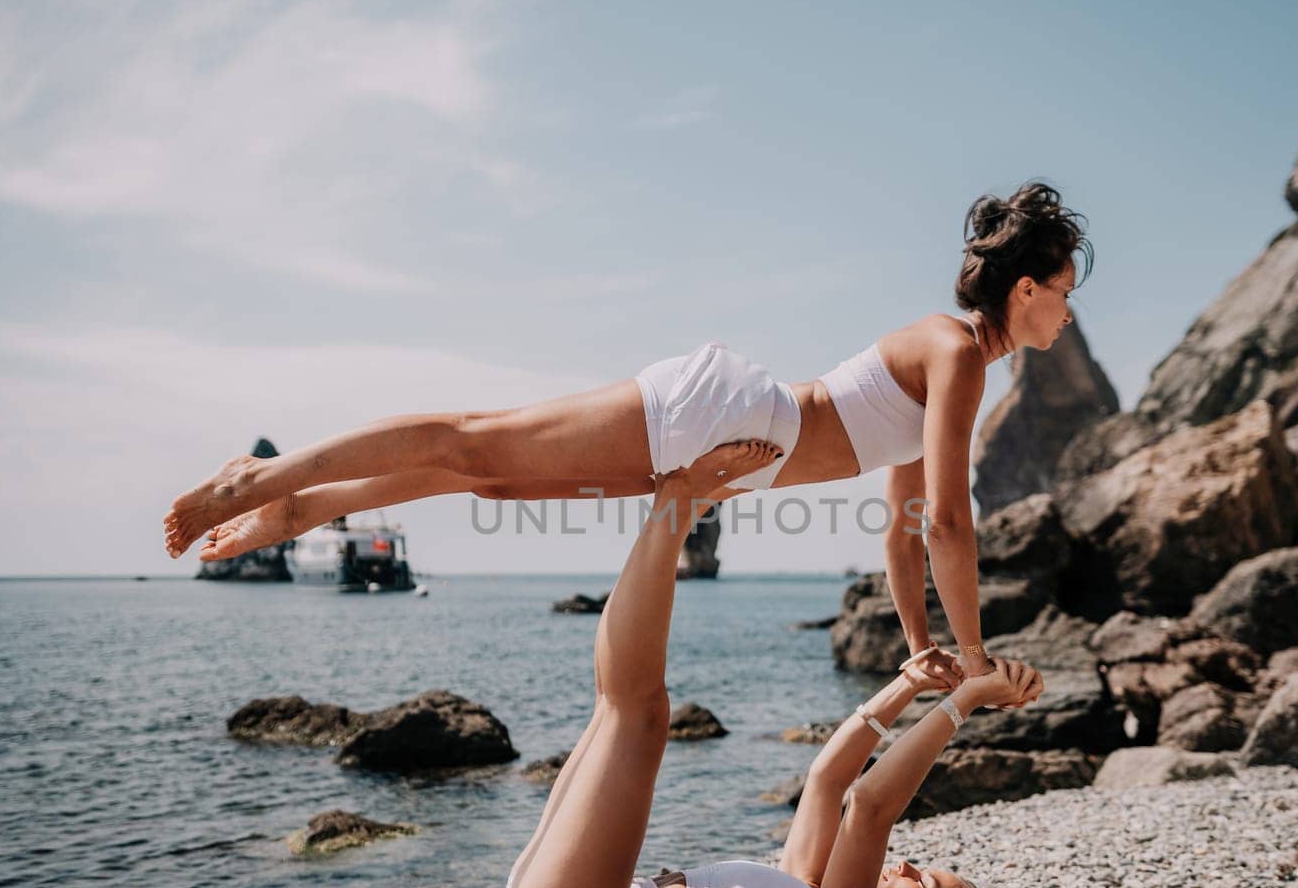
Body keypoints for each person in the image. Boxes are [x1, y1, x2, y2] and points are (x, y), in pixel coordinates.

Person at [164, 181, 1090, 683]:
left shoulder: (955, 360)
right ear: (1025, 287)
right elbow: (951, 525)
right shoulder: (960, 353)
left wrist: (919, 641)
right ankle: (261, 476)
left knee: (482, 476)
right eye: (1064, 296)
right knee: (475, 438)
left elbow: (905, 517)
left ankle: (297, 510)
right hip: (729, 419)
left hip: (732, 453)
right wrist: (972, 659)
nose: (1068, 318)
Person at [500, 439, 1044, 888]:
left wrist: (964, 705)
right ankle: (678, 505)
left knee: (637, 715)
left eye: (923, 883)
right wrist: (909, 683)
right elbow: (829, 779)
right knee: (618, 708)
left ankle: (678, 502)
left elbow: (869, 807)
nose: (906, 864)